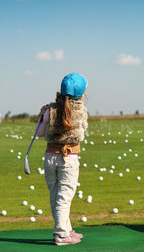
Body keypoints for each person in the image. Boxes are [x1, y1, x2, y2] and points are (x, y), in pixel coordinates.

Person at [36, 73, 88, 245]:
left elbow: (39, 133)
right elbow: (83, 131)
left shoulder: (50, 109)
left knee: (56, 197)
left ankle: (66, 229)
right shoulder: (80, 110)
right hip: (68, 159)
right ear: (81, 94)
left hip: (50, 157)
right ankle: (61, 234)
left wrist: (42, 116)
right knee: (64, 198)